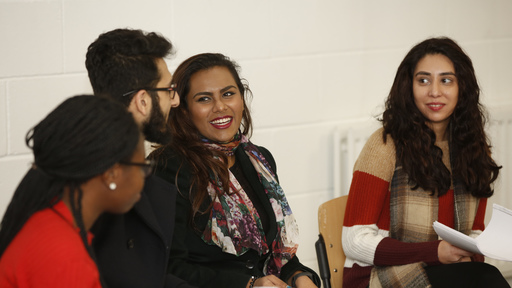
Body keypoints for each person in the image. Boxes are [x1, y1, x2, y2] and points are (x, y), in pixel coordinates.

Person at [342, 37, 509, 288]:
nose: (434, 91)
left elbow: (474, 232)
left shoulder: (473, 148)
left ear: (462, 87)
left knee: (482, 277)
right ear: (408, 87)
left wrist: (469, 253)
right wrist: (435, 253)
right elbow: (354, 240)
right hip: (378, 277)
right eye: (423, 80)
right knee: (486, 280)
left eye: (446, 80)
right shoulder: (384, 145)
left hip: (446, 273)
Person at [149, 53, 321, 288]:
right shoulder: (170, 168)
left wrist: (299, 276)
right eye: (204, 99)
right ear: (185, 109)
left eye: (228, 94)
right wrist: (248, 284)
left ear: (242, 97)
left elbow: (274, 252)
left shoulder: (259, 161)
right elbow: (168, 268)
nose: (220, 107)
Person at [85, 28, 195, 288]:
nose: (176, 100)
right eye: (169, 89)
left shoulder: (113, 165)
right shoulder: (102, 185)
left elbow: (150, 276)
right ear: (143, 101)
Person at [0, 95, 146, 287]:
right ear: (111, 174)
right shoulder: (64, 259)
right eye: (143, 167)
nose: (144, 177)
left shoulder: (47, 219)